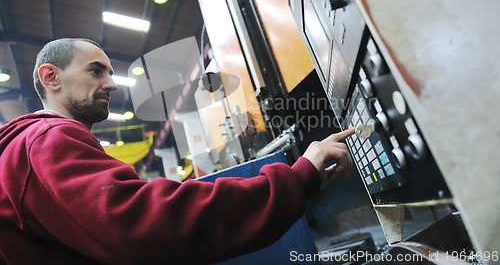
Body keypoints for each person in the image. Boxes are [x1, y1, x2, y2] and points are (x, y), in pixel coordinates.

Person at [0, 38, 354, 265]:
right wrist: (300, 175)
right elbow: (146, 224)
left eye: (110, 72)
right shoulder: (47, 140)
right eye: (95, 71)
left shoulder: (27, 147)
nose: (111, 83)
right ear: (51, 77)